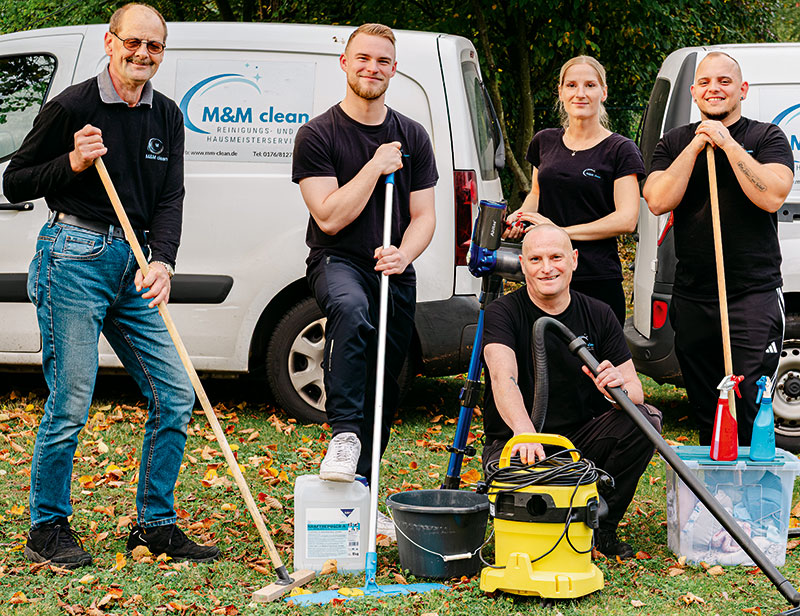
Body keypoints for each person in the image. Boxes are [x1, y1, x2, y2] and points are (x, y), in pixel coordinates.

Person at [3, 3, 219, 568]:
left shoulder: (167, 115)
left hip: (134, 264)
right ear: (110, 41)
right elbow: (15, 178)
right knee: (72, 400)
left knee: (174, 391)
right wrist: (71, 162)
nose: (142, 53)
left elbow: (170, 196)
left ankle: (155, 524)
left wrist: (163, 261)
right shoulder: (72, 106)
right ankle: (47, 526)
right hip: (71, 257)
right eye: (133, 42)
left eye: (154, 46)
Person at [291, 25, 437, 492]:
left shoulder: (412, 134)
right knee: (351, 311)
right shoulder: (317, 134)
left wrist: (404, 254)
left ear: (394, 69)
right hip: (338, 261)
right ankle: (344, 435)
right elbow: (329, 217)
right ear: (345, 63)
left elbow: (424, 217)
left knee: (385, 384)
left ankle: (363, 493)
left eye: (382, 61)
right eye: (363, 59)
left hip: (392, 268)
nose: (372, 68)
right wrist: (375, 165)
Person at [481, 224, 662, 558]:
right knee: (536, 520)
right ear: (523, 265)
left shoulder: (598, 313)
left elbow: (635, 391)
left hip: (580, 445)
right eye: (535, 259)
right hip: (517, 446)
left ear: (574, 260)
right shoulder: (502, 312)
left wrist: (615, 389)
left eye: (556, 257)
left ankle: (602, 529)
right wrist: (525, 433)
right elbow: (501, 378)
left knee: (646, 419)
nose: (547, 268)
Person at [643, 52, 793, 447]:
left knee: (745, 403)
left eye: (725, 81)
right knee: (707, 406)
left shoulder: (766, 137)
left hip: (751, 295)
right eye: (706, 82)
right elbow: (657, 199)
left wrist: (728, 145)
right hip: (693, 296)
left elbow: (773, 195)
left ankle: (748, 497)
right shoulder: (674, 142)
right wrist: (695, 147)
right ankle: (716, 498)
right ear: (694, 92)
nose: (715, 89)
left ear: (741, 90)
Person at [507, 56, 643, 325]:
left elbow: (626, 219)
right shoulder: (544, 141)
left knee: (599, 365)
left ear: (603, 92)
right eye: (571, 85)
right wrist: (520, 217)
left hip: (597, 277)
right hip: (546, 277)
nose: (580, 93)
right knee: (543, 361)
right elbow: (536, 194)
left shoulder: (620, 149)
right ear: (560, 92)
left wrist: (557, 234)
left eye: (590, 85)